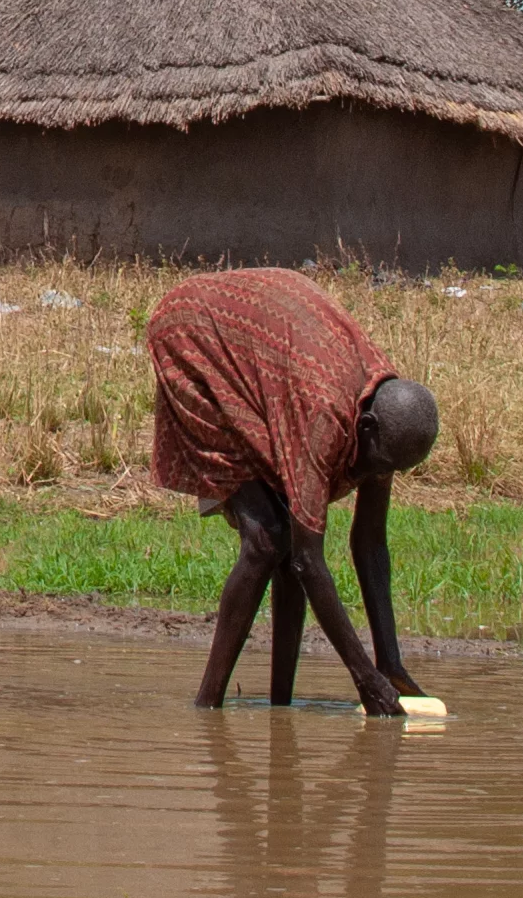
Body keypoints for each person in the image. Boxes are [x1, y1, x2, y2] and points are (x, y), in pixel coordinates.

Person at [147, 268, 439, 715]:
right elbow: (309, 560)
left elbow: (370, 543)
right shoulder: (327, 414)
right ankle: (207, 708)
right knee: (266, 540)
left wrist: (390, 664)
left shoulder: (386, 416)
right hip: (197, 336)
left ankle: (279, 709)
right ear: (366, 426)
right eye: (372, 468)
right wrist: (366, 680)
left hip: (266, 358)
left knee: (284, 532)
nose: (366, 478)